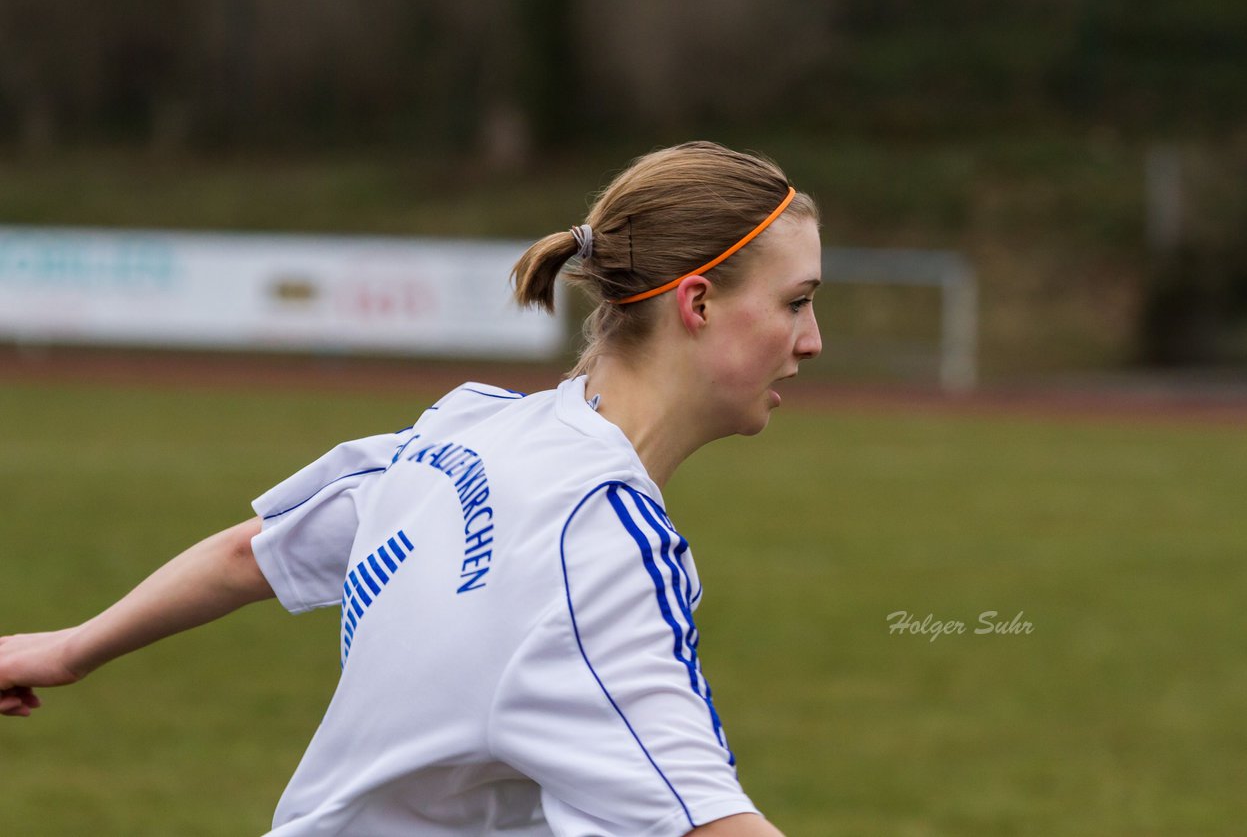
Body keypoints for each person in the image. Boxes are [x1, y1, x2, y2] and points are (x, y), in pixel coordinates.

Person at [0, 140, 822, 836]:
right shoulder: (599, 549)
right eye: (796, 302)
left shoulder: (469, 427)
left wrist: (72, 648)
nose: (812, 341)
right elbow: (708, 823)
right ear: (699, 303)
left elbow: (253, 554)